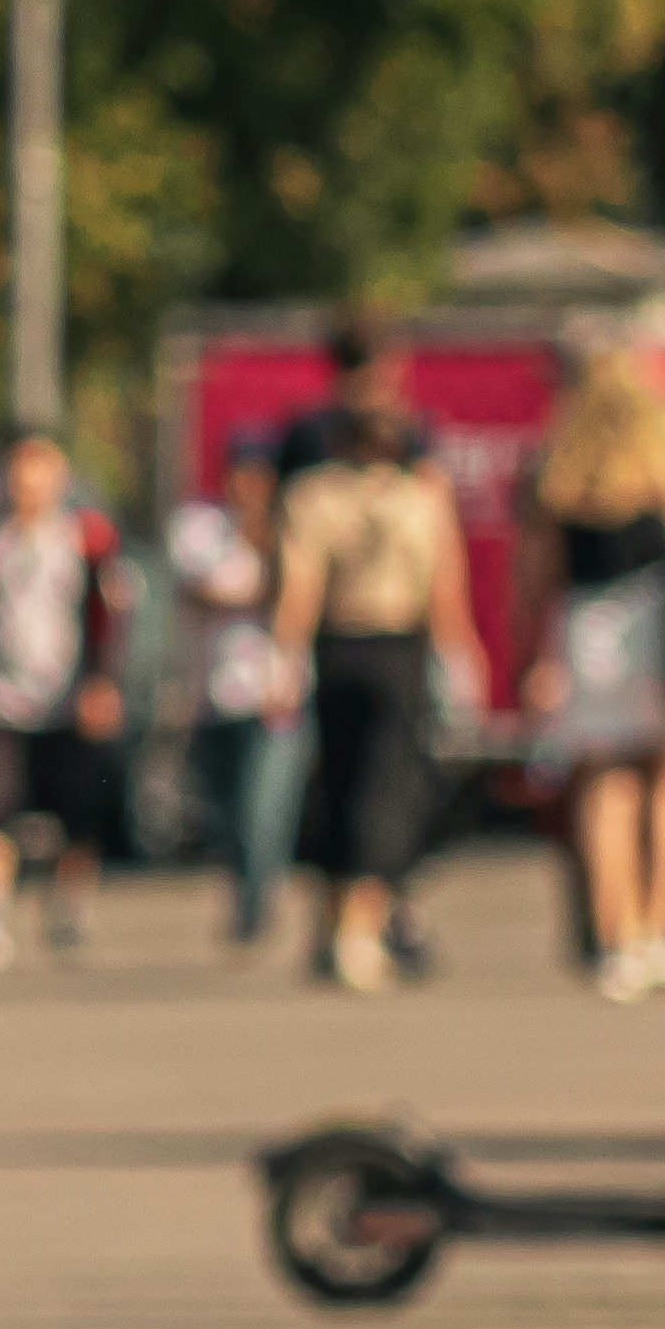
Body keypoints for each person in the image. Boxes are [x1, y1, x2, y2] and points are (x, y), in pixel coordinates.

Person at [267, 319, 475, 996]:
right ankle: (358, 930)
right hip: (392, 646)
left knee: (338, 784)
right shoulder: (421, 497)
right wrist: (460, 651)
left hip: (337, 646)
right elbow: (443, 584)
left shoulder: (311, 493)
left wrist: (285, 654)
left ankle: (341, 926)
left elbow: (297, 584)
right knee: (382, 792)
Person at [515, 345, 665, 999]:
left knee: (604, 781)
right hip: (653, 621)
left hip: (588, 627)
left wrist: (533, 656)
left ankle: (618, 936)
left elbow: (536, 576)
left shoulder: (561, 470)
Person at [0, 427, 120, 971]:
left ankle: (67, 903)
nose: (27, 487)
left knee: (80, 812)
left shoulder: (84, 539)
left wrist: (102, 681)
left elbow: (106, 617)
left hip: (65, 700)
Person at [165, 449, 302, 950]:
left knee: (265, 810)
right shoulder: (201, 528)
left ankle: (256, 902)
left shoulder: (292, 530)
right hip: (215, 697)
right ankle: (241, 888)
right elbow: (199, 591)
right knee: (224, 814)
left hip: (278, 696)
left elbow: (304, 596)